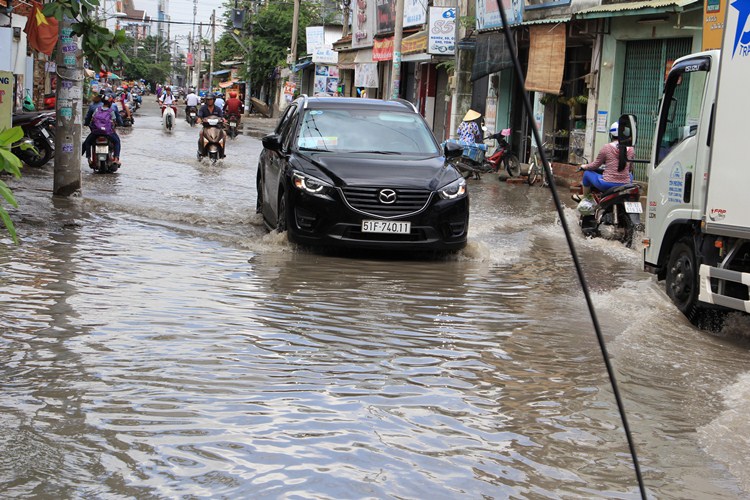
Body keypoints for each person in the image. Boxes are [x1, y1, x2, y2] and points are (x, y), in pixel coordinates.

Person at [573, 122, 635, 202]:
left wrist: (584, 166)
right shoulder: (631, 149)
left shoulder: (606, 148)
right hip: (626, 184)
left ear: (611, 135)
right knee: (629, 174)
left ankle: (585, 197)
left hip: (607, 184)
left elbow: (595, 165)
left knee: (587, 173)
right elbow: (630, 168)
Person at [82, 93, 123, 165]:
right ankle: (116, 159)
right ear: (110, 102)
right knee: (117, 142)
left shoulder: (96, 109)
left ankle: (88, 159)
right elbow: (114, 122)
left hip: (96, 132)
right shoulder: (111, 110)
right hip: (108, 133)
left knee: (87, 142)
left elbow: (91, 119)